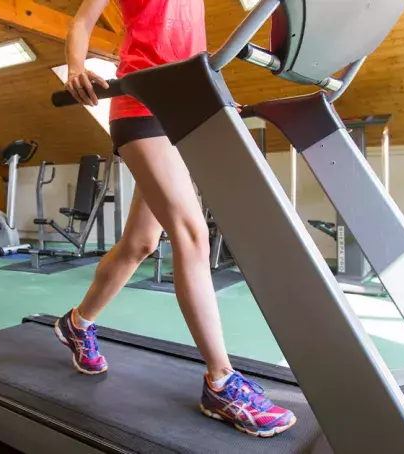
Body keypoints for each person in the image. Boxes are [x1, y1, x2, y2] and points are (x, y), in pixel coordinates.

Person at [54, 0, 296, 438]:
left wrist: (210, 96)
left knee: (140, 244)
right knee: (192, 234)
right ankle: (220, 381)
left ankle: (77, 324)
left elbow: (188, 45)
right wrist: (75, 66)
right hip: (139, 106)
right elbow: (82, 20)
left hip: (182, 111)